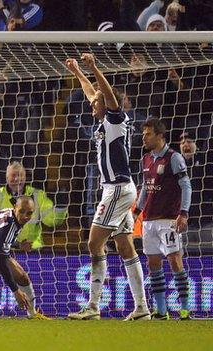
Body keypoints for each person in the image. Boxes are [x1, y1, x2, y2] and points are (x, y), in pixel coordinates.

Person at [65, 54, 149, 321]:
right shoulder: (103, 120)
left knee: (93, 243)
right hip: (119, 189)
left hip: (117, 189)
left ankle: (92, 306)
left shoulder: (116, 118)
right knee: (125, 246)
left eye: (95, 102)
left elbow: (106, 94)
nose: (91, 104)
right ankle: (142, 308)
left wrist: (93, 67)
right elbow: (93, 92)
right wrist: (78, 71)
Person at [0, 161, 62, 319]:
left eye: (21, 175)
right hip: (2, 249)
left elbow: (52, 220)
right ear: (6, 177)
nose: (17, 179)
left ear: (26, 177)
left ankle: (34, 311)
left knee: (22, 276)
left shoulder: (37, 195)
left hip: (34, 252)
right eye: (13, 175)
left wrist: (61, 207)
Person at [135, 118, 192, 320]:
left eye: (148, 134)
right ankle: (161, 311)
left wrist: (183, 213)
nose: (144, 137)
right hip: (149, 221)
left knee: (175, 262)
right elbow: (144, 188)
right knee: (153, 264)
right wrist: (137, 212)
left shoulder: (174, 157)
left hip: (169, 219)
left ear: (160, 136)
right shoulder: (145, 159)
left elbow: (186, 186)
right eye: (143, 134)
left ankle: (185, 310)